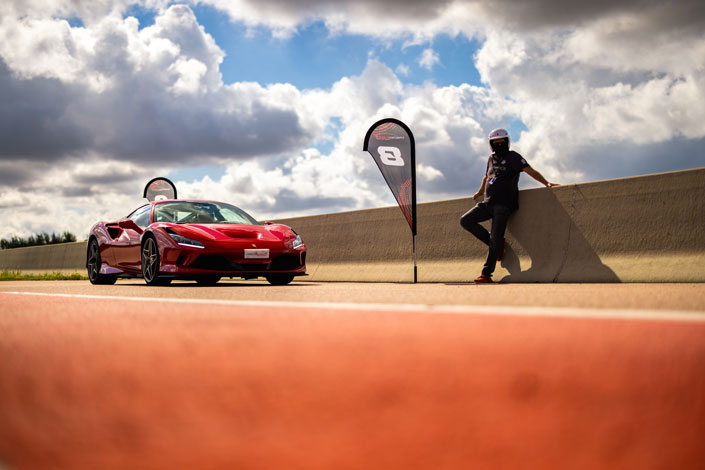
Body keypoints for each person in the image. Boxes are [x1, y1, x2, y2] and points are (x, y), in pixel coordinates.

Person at [460, 128, 558, 284]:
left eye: (501, 142)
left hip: (504, 204)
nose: (499, 145)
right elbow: (487, 176)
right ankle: (498, 246)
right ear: (491, 144)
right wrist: (479, 191)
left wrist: (546, 182)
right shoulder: (490, 159)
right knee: (465, 220)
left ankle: (486, 274)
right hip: (488, 202)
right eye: (495, 143)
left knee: (495, 236)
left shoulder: (513, 157)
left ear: (507, 142)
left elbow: (530, 171)